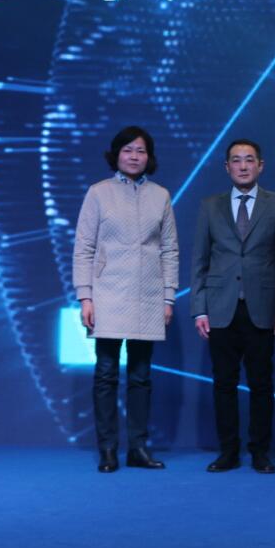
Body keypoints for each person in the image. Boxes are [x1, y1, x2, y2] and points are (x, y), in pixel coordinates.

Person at [72, 126, 179, 473]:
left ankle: (138, 448)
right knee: (106, 373)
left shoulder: (160, 196)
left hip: (148, 294)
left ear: (150, 157)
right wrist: (85, 297)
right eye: (128, 150)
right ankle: (107, 449)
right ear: (116, 154)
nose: (134, 156)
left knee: (141, 376)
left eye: (141, 151)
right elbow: (84, 248)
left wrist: (168, 297)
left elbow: (169, 250)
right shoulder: (98, 192)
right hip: (107, 293)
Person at [190, 139, 275, 474]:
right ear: (227, 167)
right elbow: (200, 261)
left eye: (249, 160)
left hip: (262, 306)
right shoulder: (210, 206)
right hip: (220, 307)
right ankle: (228, 452)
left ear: (261, 165)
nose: (243, 166)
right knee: (224, 383)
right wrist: (199, 308)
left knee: (261, 384)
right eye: (236, 160)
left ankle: (260, 452)